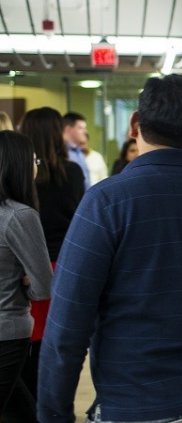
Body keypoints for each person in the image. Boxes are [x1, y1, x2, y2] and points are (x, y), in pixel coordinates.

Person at [38, 74, 182, 423]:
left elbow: (66, 328)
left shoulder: (105, 203)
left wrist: (53, 414)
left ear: (134, 124)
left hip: (132, 403)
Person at [10, 106, 85, 422]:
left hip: (25, 271)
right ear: (57, 133)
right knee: (60, 353)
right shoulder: (72, 173)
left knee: (25, 355)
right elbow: (79, 223)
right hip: (64, 268)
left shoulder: (18, 177)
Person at [0, 131, 53, 416]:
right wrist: (28, 283)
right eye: (34, 159)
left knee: (22, 412)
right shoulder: (19, 216)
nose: (37, 164)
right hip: (7, 331)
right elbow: (44, 286)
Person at [62, 112, 91, 189]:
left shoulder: (79, 152)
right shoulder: (61, 152)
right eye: (81, 128)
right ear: (68, 129)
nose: (85, 132)